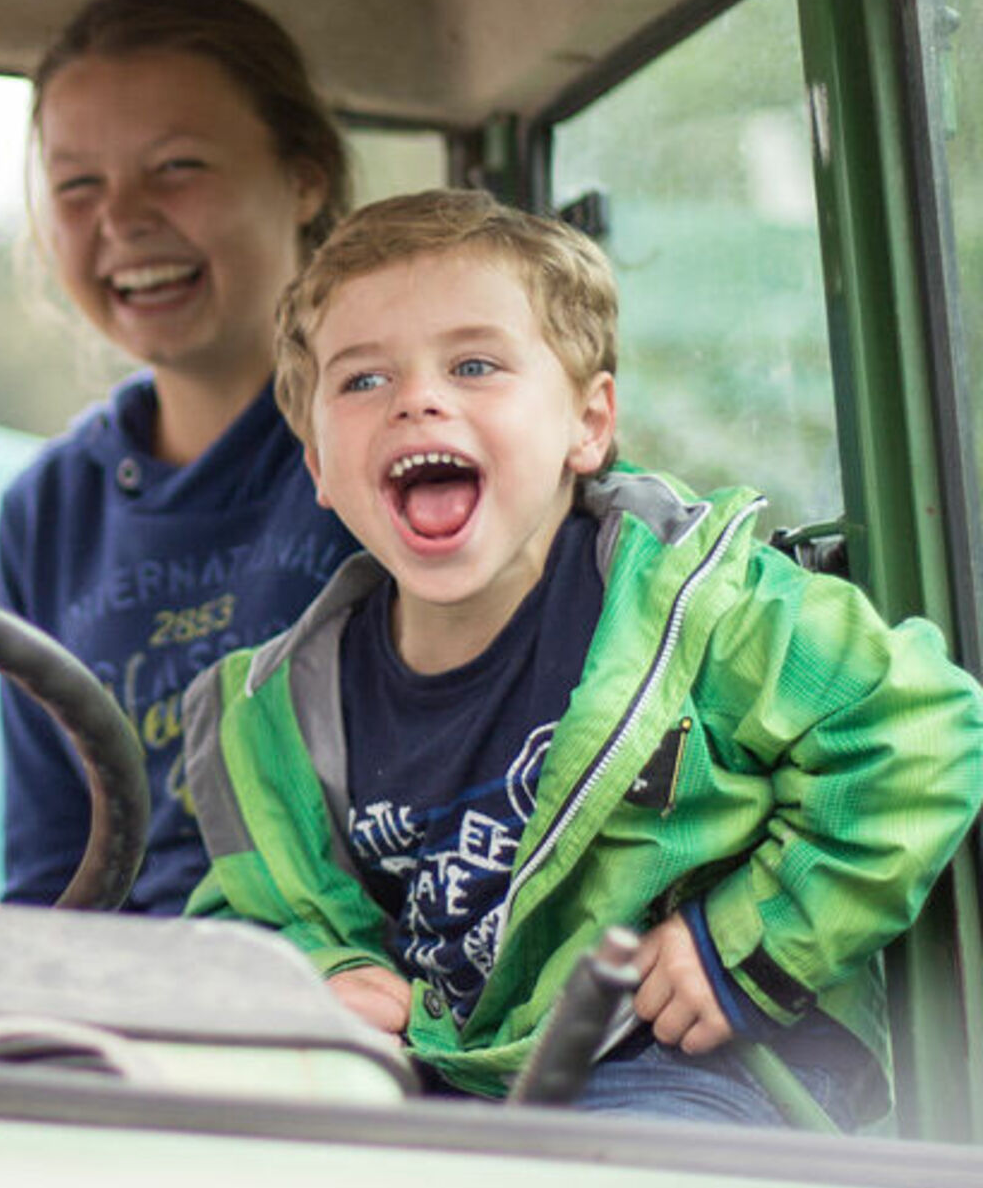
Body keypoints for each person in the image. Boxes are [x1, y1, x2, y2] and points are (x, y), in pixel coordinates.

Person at [183, 188, 983, 1126]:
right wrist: (338, 970)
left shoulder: (698, 606)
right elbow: (262, 900)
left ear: (588, 425)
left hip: (688, 1060)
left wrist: (748, 941)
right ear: (317, 463)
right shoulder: (281, 714)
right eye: (363, 381)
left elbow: (916, 735)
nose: (418, 400)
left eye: (474, 364)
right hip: (452, 1079)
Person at [0, 0, 353, 914]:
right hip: (134, 1014)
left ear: (303, 174)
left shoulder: (396, 438)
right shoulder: (46, 513)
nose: (122, 218)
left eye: (177, 165)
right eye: (78, 184)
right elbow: (48, 877)